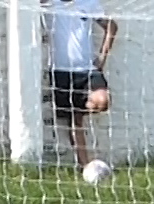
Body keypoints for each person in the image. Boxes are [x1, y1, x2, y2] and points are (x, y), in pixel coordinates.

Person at [47, 0, 117, 168]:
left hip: (87, 70)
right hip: (60, 70)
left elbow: (111, 26)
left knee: (102, 101)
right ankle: (85, 167)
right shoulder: (48, 3)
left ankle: (79, 108)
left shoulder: (88, 3)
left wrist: (102, 58)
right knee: (73, 120)